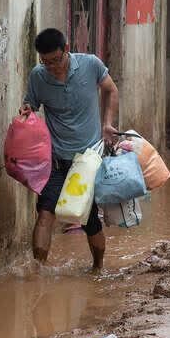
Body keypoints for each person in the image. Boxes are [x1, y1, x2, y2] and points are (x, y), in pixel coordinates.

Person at [20, 28, 119, 270]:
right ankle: (38, 273)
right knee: (45, 214)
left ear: (66, 50)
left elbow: (111, 90)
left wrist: (107, 124)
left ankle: (97, 268)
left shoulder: (90, 65)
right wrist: (26, 113)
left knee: (89, 220)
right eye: (45, 62)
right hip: (55, 160)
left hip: (87, 161)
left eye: (55, 60)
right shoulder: (38, 77)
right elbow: (30, 107)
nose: (51, 67)